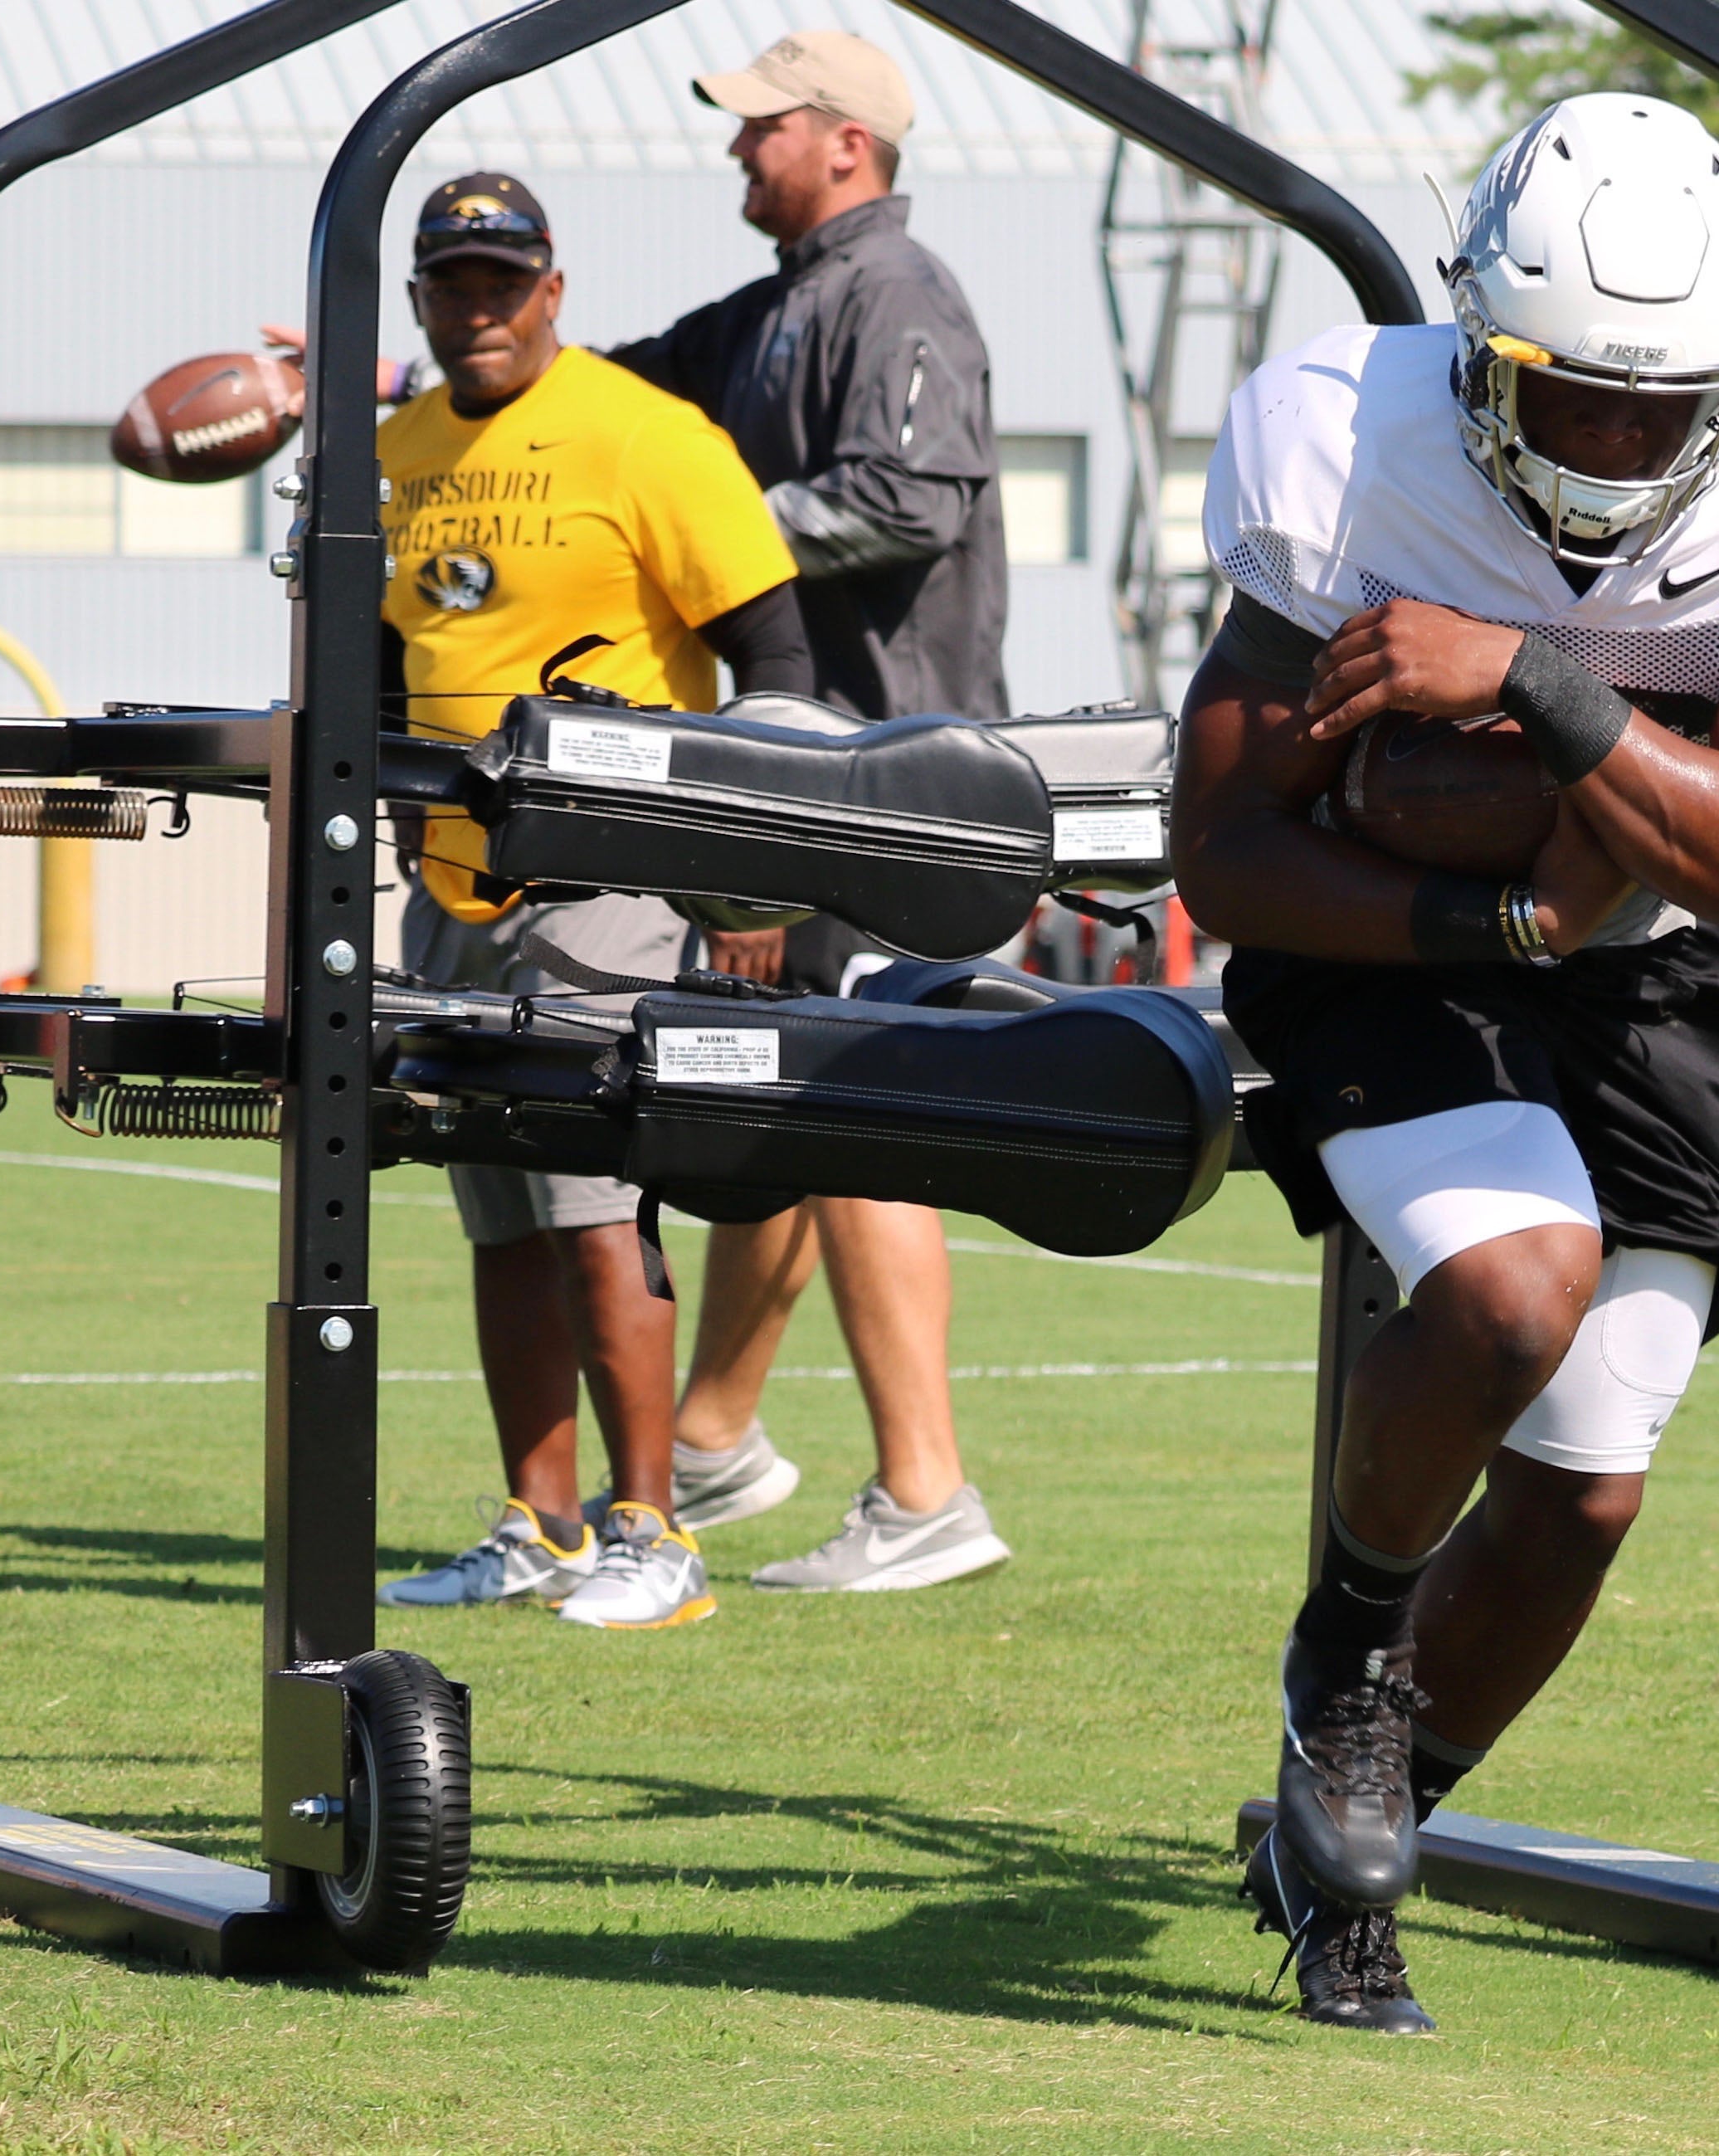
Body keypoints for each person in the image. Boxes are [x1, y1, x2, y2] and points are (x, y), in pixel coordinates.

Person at [1170, 95, 1719, 2031]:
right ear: (1477, 347)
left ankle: (1358, 1833)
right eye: (1568, 396)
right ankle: (1349, 1658)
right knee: (1517, 1292)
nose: (1611, 444)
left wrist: (1531, 681)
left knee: (1589, 1475)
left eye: (1656, 407)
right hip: (1386, 947)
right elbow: (1228, 847)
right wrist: (1495, 916)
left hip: (1660, 962)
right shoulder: (1346, 446)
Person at [360, 173, 816, 1631]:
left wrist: (743, 871)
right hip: (452, 880)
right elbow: (382, 679)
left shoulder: (646, 435)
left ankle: (654, 1528)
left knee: (596, 1202)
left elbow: (783, 671)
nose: (481, 306)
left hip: (604, 869)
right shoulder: (396, 451)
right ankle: (542, 1521)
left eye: (506, 280)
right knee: (496, 1209)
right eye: (455, 282)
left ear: (555, 290)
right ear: (420, 298)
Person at [605, 29, 1012, 1594]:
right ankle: (711, 1436)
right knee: (779, 1089)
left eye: (757, 128)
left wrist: (712, 539)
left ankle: (927, 1494)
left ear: (846, 141)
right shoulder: (781, 304)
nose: (734, 150)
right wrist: (404, 372)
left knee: (856, 1104)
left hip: (887, 776)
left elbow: (915, 497)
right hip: (804, 765)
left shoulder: (898, 293)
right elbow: (609, 405)